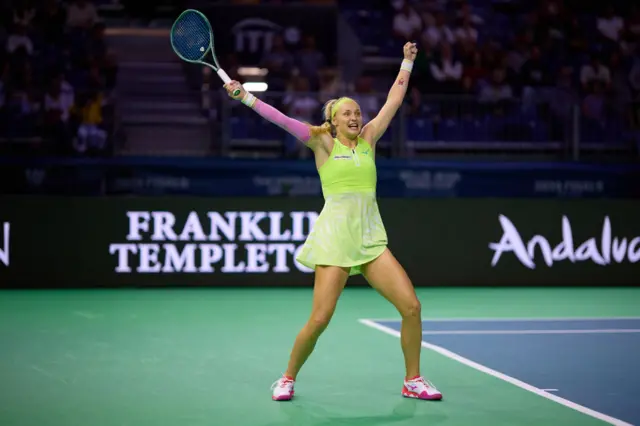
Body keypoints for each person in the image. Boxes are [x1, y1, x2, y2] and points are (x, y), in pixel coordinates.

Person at [223, 42, 443, 402]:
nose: (355, 117)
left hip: (370, 239)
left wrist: (406, 62)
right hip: (335, 240)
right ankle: (287, 378)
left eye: (357, 111)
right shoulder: (321, 142)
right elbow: (279, 118)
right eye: (346, 113)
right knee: (321, 318)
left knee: (412, 307)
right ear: (334, 120)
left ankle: (412, 380)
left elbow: (394, 101)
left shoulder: (370, 138)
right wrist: (244, 97)